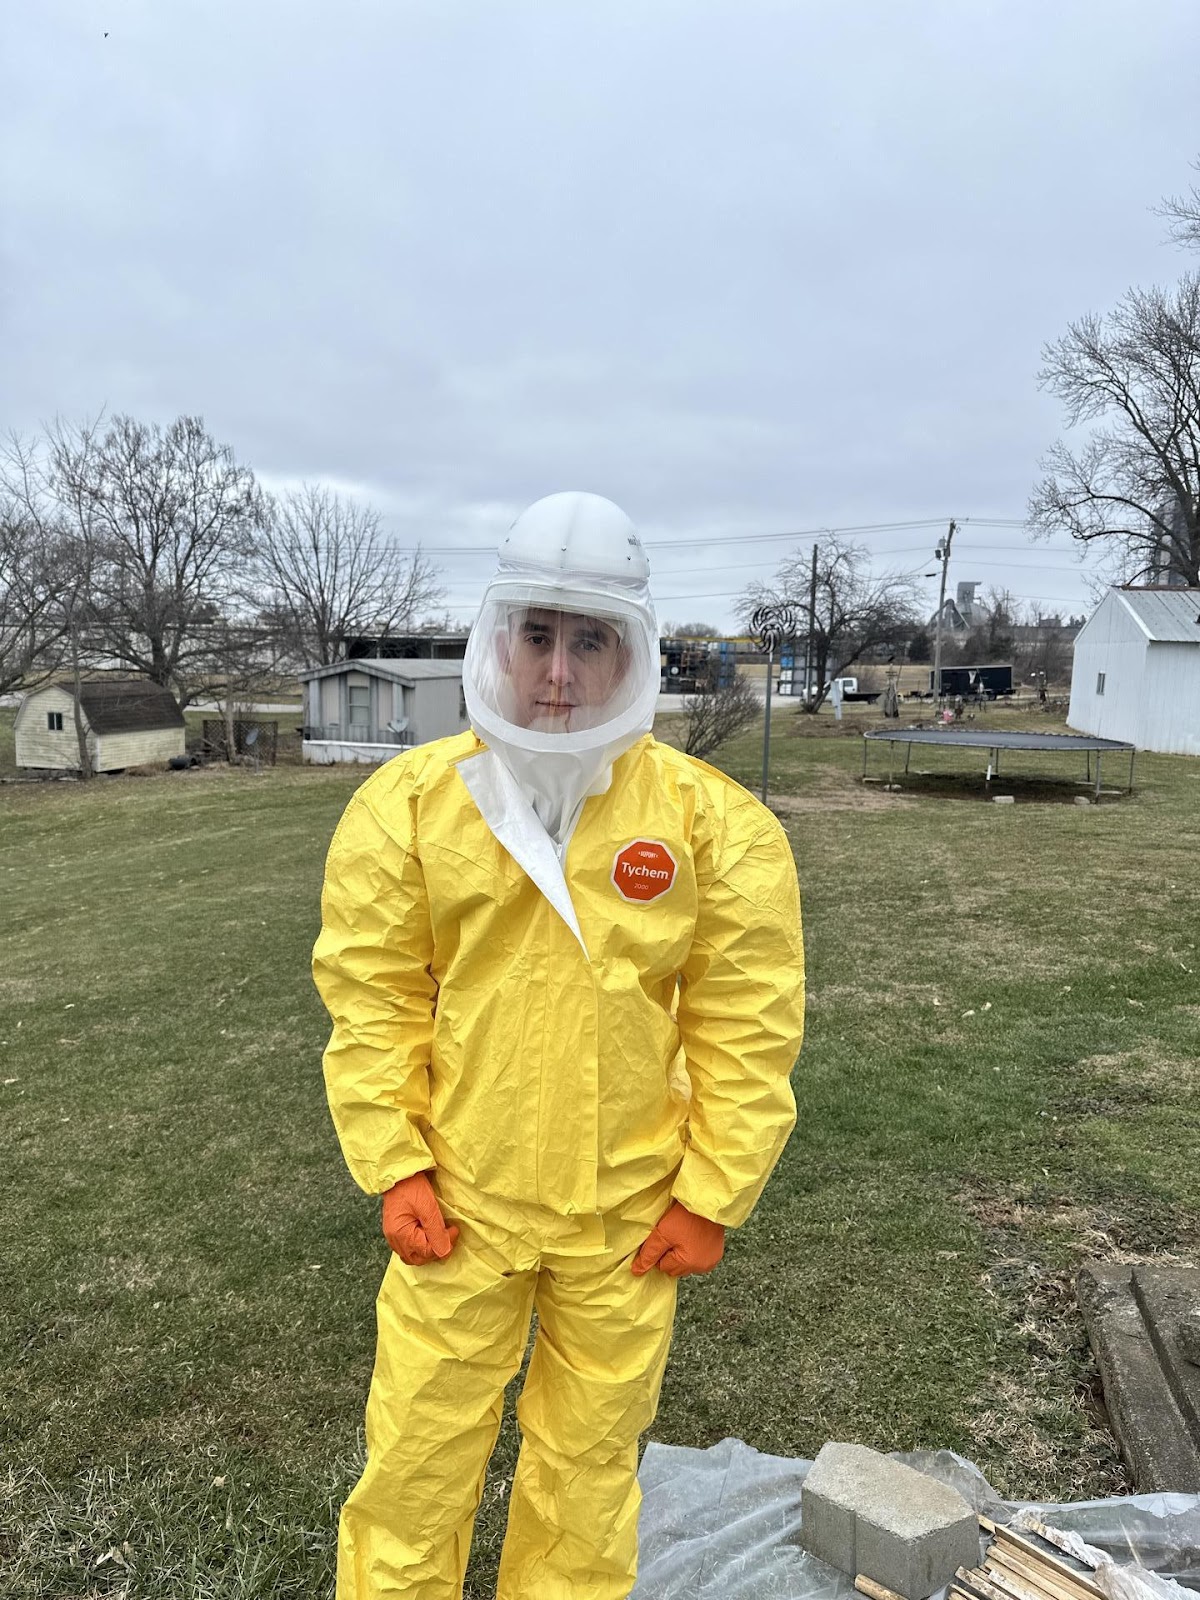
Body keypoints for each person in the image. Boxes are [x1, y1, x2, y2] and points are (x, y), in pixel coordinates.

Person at [313, 491, 805, 1600]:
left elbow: (746, 1023)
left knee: (584, 1484)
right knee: (417, 1470)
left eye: (592, 642)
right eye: (538, 634)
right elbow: (374, 997)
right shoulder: (410, 808)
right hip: (460, 1209)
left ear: (636, 653)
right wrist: (395, 1162)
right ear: (498, 637)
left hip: (626, 1224)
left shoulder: (711, 826)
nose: (558, 673)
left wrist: (712, 1193)